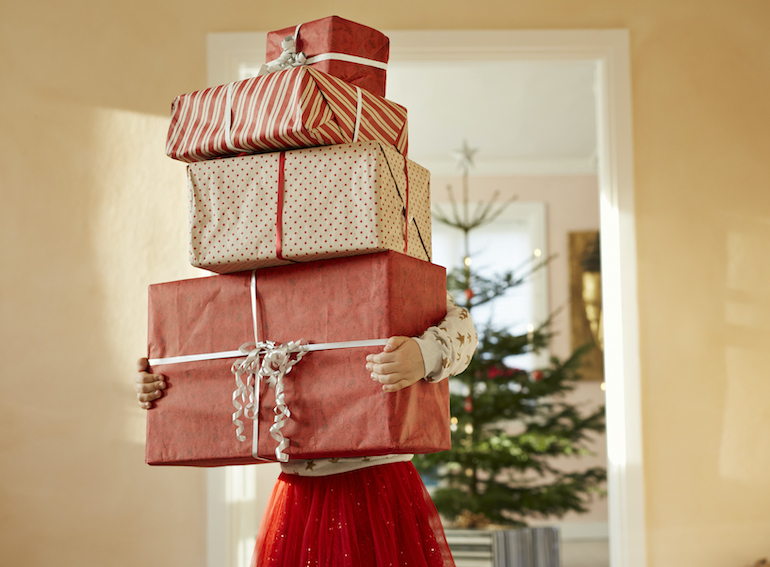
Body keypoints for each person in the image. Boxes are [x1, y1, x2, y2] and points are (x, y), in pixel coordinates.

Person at [135, 291, 477, 567]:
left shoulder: (383, 266)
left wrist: (426, 353)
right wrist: (166, 382)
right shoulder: (262, 285)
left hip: (380, 489)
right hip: (301, 496)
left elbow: (462, 326)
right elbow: (212, 351)